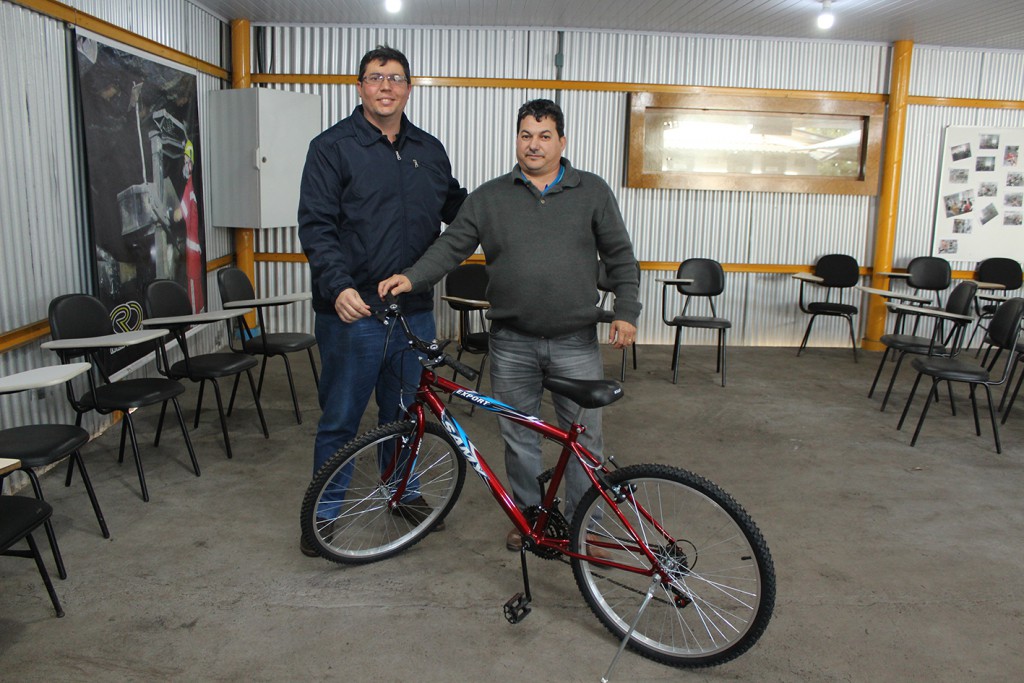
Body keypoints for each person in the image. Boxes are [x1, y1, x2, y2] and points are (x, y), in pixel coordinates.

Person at [379, 98, 640, 552]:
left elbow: (620, 256)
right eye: (525, 135)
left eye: (543, 136)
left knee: (585, 442)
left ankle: (584, 529)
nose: (533, 145)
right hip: (511, 343)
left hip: (575, 341)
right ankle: (531, 521)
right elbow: (451, 246)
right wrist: (413, 276)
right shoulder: (490, 197)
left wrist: (626, 311)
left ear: (562, 141)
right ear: (516, 140)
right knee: (519, 437)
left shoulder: (592, 191)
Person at [297, 45, 467, 557]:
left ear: (409, 88)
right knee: (342, 418)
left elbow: (458, 207)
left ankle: (403, 493)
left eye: (395, 78)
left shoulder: (430, 150)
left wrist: (508, 200)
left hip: (413, 311)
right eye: (375, 78)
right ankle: (322, 516)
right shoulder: (332, 147)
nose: (385, 86)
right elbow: (317, 224)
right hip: (355, 312)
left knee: (404, 413)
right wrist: (338, 285)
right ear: (360, 87)